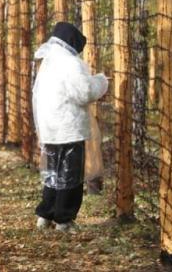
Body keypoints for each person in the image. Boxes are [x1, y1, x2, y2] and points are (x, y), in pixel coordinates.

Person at [32, 22, 108, 232]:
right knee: (70, 176)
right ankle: (63, 219)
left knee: (52, 174)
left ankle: (45, 215)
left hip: (49, 129)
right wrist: (101, 82)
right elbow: (83, 92)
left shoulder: (48, 62)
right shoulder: (70, 63)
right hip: (68, 128)